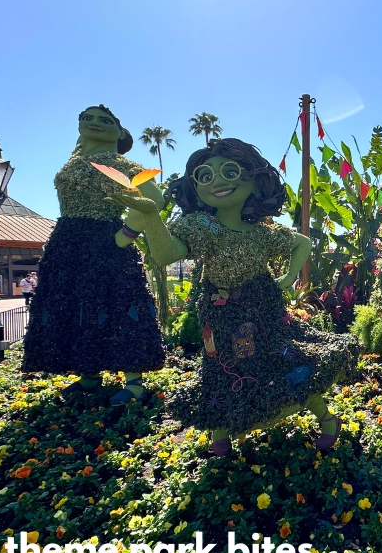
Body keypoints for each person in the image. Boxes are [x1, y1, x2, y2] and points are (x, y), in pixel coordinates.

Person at [107, 138, 360, 456]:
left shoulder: (262, 232)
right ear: (196, 187)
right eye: (206, 175)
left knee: (287, 363)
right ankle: (220, 438)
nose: (219, 181)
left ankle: (326, 420)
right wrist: (150, 215)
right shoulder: (202, 227)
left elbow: (303, 244)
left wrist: (287, 278)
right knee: (219, 370)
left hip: (265, 313)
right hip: (220, 315)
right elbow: (166, 254)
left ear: (254, 182)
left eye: (230, 171)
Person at [21, 105, 165, 405]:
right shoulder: (73, 162)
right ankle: (88, 373)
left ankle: (135, 381)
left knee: (118, 302)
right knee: (75, 303)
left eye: (104, 120)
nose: (93, 122)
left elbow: (154, 199)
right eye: (86, 118)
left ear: (119, 131)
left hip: (106, 241)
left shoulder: (119, 164)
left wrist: (127, 233)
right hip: (68, 241)